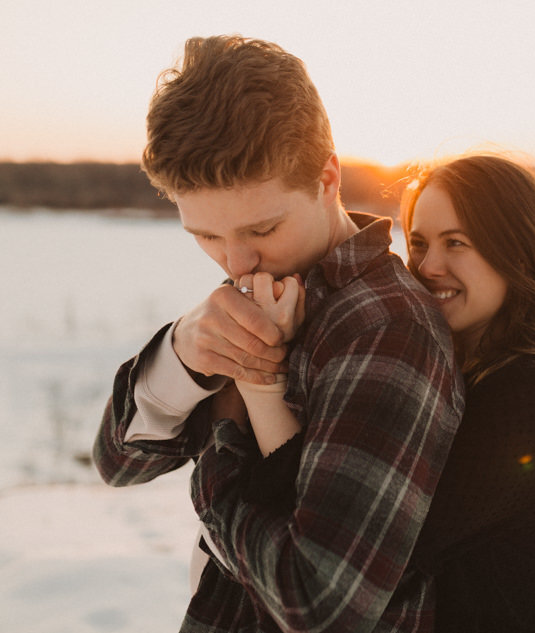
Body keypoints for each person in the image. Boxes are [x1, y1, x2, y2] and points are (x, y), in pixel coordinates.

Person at [92, 35, 463, 633]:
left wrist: (219, 466)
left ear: (328, 177)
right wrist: (184, 354)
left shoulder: (384, 329)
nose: (236, 263)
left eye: (261, 227)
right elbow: (119, 464)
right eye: (206, 237)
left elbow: (322, 608)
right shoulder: (253, 299)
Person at [256, 153, 535, 631]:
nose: (428, 265)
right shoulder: (451, 365)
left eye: (456, 243)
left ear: (518, 252)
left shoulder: (528, 392)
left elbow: (373, 545)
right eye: (418, 243)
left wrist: (254, 400)